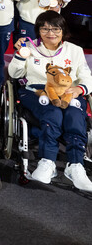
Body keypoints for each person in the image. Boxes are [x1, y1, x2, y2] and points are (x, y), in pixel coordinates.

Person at [8, 11, 92, 191]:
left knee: (75, 116)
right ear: (38, 30)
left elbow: (86, 77)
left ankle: (75, 165)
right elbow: (14, 74)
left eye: (55, 28)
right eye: (45, 28)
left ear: (63, 31)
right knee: (52, 113)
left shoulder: (74, 50)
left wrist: (79, 89)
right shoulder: (29, 48)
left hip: (69, 92)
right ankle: (47, 161)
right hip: (36, 91)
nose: (50, 33)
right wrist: (20, 55)